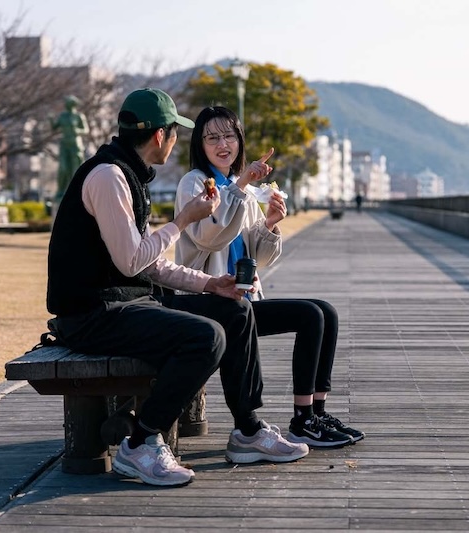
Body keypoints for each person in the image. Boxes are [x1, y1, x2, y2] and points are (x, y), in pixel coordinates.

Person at [47, 89, 308, 487]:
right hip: (92, 314)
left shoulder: (127, 174)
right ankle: (141, 442)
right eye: (175, 133)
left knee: (236, 312)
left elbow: (150, 262)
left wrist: (211, 284)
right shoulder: (107, 176)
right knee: (205, 338)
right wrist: (183, 220)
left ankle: (248, 431)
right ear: (159, 136)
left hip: (128, 303)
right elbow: (132, 262)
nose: (175, 141)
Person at [174, 106, 365, 448]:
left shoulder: (240, 189)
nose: (223, 144)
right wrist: (243, 184)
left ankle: (314, 414)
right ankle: (301, 420)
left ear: (239, 141)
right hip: (206, 301)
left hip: (243, 300)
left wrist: (271, 223)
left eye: (229, 136)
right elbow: (209, 237)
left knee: (325, 312)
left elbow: (258, 258)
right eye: (212, 137)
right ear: (199, 145)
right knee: (308, 316)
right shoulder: (194, 183)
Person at [52, 95, 89, 200]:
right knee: (63, 168)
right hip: (64, 145)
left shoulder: (79, 116)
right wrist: (50, 120)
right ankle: (60, 191)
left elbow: (86, 130)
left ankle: (76, 191)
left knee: (76, 169)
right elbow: (54, 127)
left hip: (75, 145)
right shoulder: (62, 116)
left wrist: (78, 130)